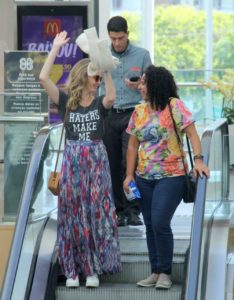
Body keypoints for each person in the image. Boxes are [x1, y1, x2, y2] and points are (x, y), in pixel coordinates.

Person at [39, 30, 121, 288]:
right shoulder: (66, 101)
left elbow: (112, 96)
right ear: (83, 77)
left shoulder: (99, 102)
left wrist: (104, 66)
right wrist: (54, 48)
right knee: (73, 215)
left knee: (96, 214)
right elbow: (43, 77)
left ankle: (93, 269)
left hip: (96, 161)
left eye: (98, 77)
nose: (96, 81)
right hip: (74, 161)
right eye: (94, 77)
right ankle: (73, 269)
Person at [123, 65, 210, 289]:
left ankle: (166, 273)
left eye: (144, 82)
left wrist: (198, 160)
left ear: (155, 85)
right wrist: (129, 175)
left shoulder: (175, 106)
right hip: (143, 177)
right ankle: (156, 270)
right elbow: (132, 146)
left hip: (172, 175)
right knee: (150, 225)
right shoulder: (139, 112)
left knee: (161, 221)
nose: (140, 86)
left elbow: (192, 134)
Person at [100, 16, 152, 227]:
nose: (117, 43)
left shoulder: (142, 55)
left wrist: (140, 85)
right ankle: (118, 210)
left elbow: (151, 85)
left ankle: (133, 209)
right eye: (113, 39)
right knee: (112, 164)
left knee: (130, 163)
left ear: (127, 34)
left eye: (120, 38)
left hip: (133, 114)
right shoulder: (102, 57)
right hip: (109, 114)